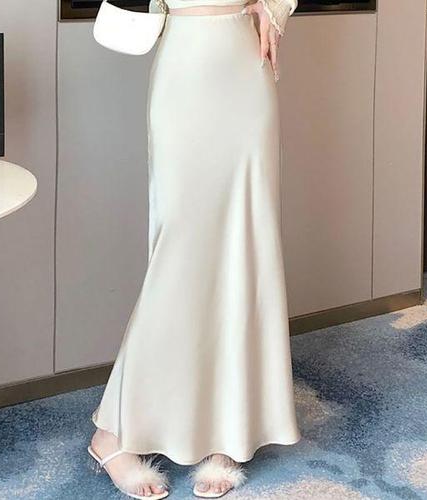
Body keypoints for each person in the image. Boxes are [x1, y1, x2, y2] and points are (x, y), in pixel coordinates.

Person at [88, 0, 301, 497]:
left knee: (245, 245)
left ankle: (228, 431)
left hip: (246, 74)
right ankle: (111, 432)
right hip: (183, 69)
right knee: (180, 256)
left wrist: (275, 9)